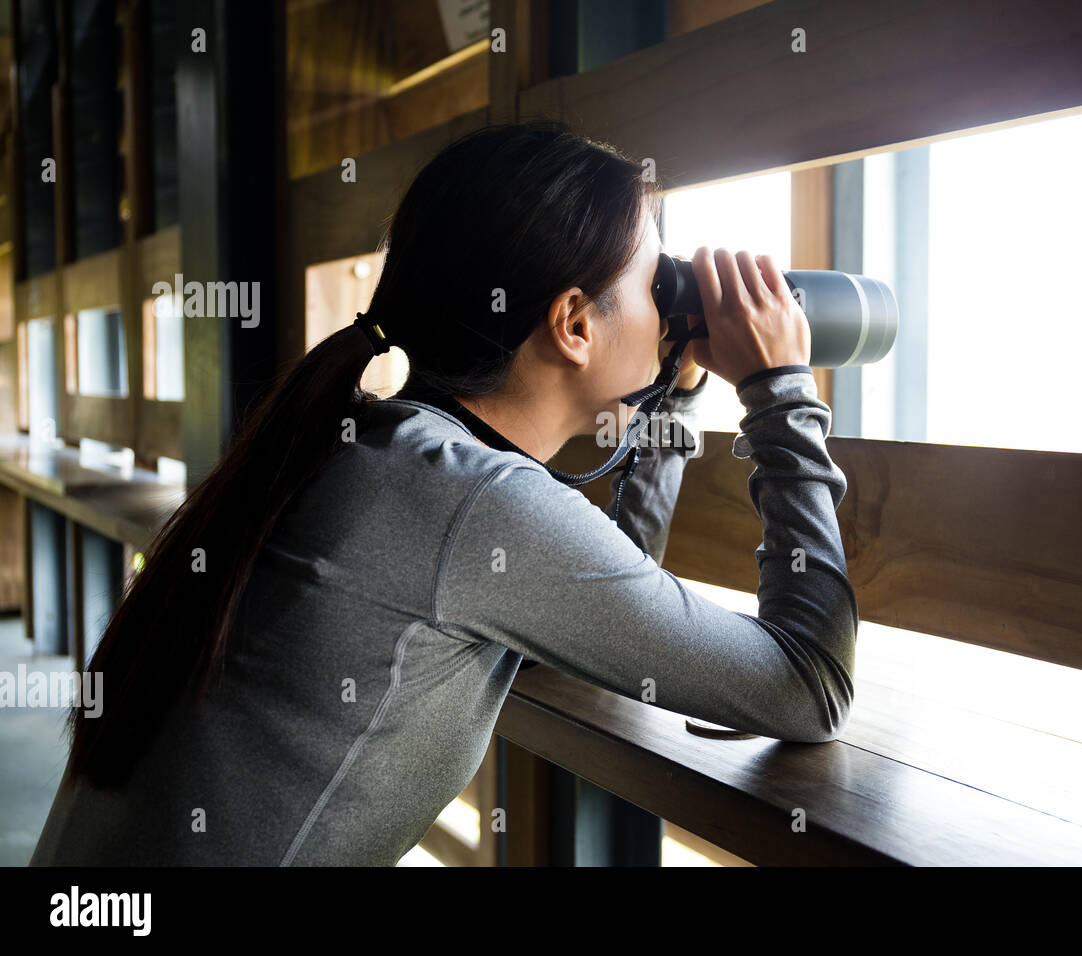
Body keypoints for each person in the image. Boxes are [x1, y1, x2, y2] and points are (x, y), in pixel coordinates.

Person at [30, 119, 859, 866]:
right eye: (658, 283)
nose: (673, 306)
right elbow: (811, 685)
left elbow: (593, 612)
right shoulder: (473, 500)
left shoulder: (370, 445)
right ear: (573, 323)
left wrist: (672, 400)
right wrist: (781, 387)